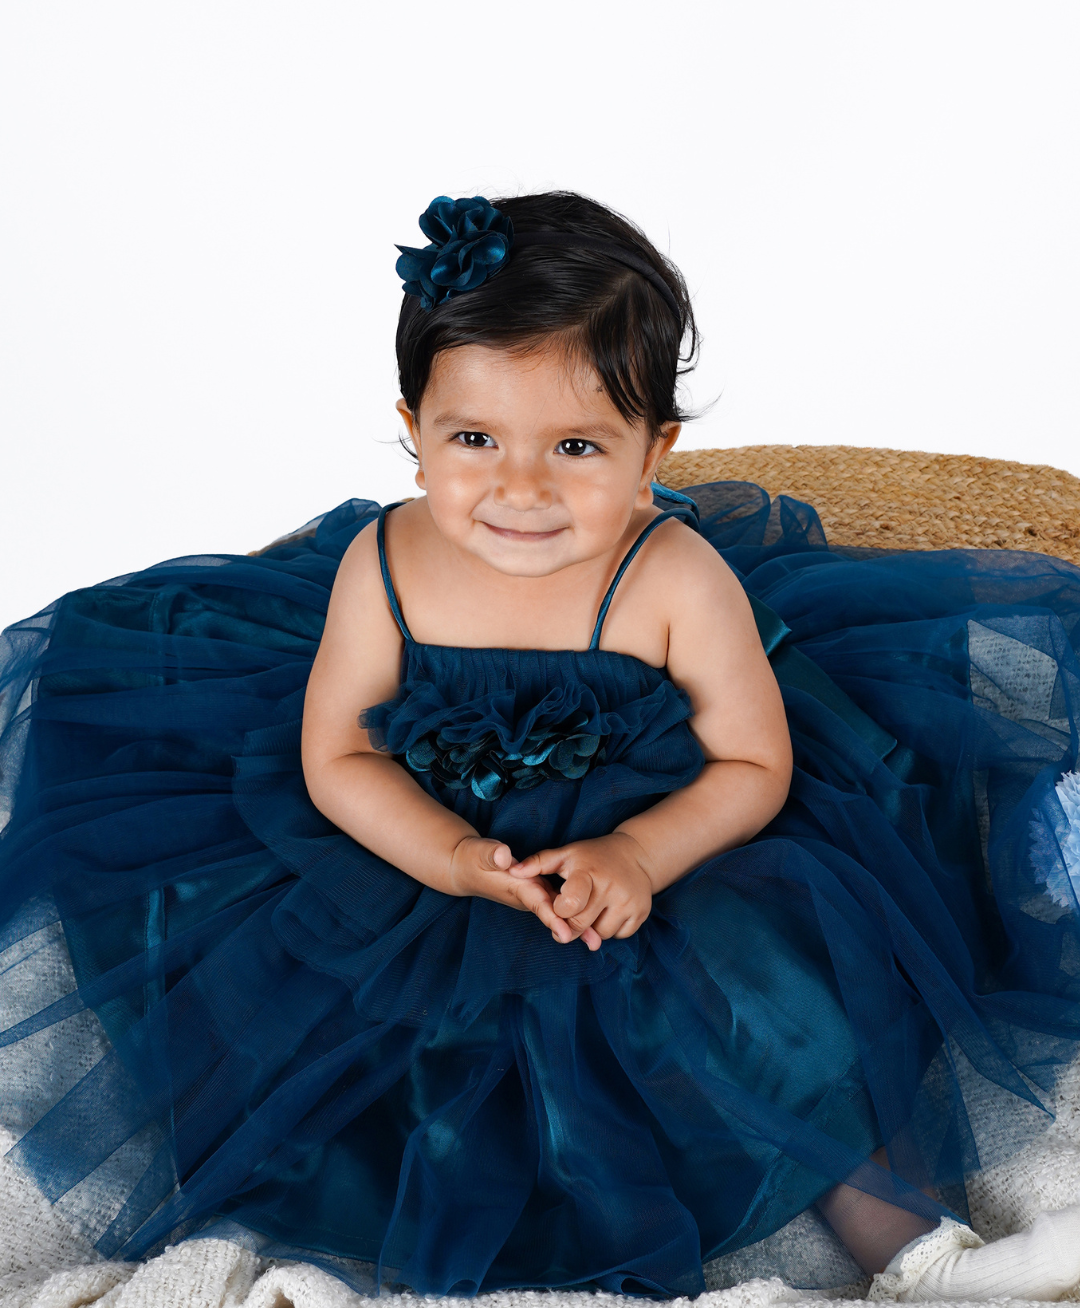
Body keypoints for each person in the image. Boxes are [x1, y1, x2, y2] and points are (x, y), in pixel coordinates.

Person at [1, 192, 1079, 1302]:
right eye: (474, 439)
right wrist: (452, 860)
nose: (521, 488)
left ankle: (913, 1248)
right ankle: (367, 1213)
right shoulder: (384, 567)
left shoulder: (670, 579)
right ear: (415, 433)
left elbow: (755, 765)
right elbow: (334, 757)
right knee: (327, 1043)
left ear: (654, 449)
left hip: (668, 854)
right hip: (423, 860)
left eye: (576, 445)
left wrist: (647, 856)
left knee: (782, 1024)